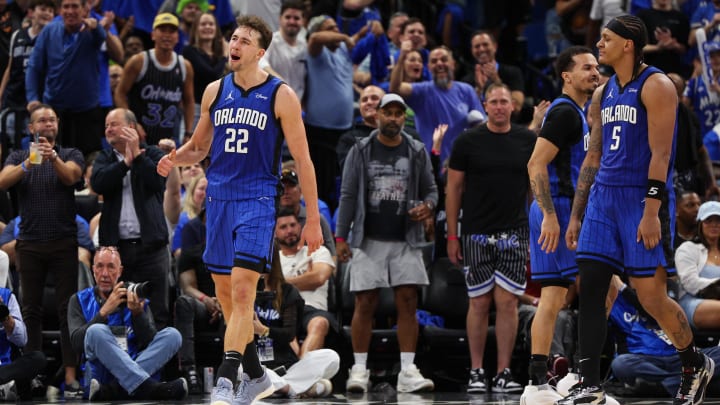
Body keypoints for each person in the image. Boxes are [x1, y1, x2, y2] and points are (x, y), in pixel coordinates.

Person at [155, 14, 323, 405]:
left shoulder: (281, 94)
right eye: (234, 38)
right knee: (227, 296)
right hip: (218, 200)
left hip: (258, 200)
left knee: (245, 290)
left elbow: (303, 159)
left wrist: (312, 217)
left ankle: (226, 382)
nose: (235, 44)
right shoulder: (215, 90)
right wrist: (174, 159)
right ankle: (255, 374)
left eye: (245, 40)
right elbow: (199, 148)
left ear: (261, 52)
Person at [561, 15, 714, 404]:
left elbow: (661, 155)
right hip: (602, 199)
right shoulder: (603, 92)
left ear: (628, 44)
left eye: (606, 39)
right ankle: (590, 384)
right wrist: (578, 212)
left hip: (639, 201)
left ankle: (693, 362)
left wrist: (651, 211)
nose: (599, 45)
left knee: (651, 297)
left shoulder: (657, 84)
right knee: (591, 289)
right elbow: (593, 155)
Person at [336, 93, 437, 394]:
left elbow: (432, 190)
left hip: (406, 238)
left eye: (398, 114)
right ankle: (358, 369)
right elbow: (348, 195)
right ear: (377, 115)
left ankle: (407, 371)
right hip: (368, 238)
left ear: (403, 117)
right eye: (388, 113)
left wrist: (428, 207)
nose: (393, 118)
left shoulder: (417, 149)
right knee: (364, 303)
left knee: (408, 302)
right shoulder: (361, 148)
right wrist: (341, 237)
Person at [520, 45, 599, 404]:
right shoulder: (565, 113)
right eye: (586, 67)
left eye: (596, 67)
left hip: (557, 209)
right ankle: (580, 376)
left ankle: (540, 381)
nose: (594, 72)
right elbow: (535, 165)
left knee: (553, 295)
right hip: (558, 210)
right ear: (567, 75)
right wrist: (550, 215)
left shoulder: (578, 113)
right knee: (604, 285)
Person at [445, 83, 536, 394]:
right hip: (475, 232)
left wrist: (537, 228)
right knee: (479, 302)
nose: (499, 106)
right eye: (494, 102)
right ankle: (476, 370)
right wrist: (452, 236)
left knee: (508, 303)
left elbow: (535, 190)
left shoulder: (528, 140)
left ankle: (504, 371)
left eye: (504, 102)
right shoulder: (467, 141)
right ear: (485, 106)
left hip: (515, 231)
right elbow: (453, 190)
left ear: (512, 106)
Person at [0, 104, 84, 398]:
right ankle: (33, 374)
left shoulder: (70, 153)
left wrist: (53, 157)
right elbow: (1, 181)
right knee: (30, 311)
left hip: (63, 241)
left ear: (57, 125)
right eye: (41, 120)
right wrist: (27, 166)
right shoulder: (19, 157)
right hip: (31, 243)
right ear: (31, 128)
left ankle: (71, 376)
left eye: (51, 119)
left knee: (67, 311)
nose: (47, 123)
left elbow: (72, 177)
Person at [67, 246, 188, 401]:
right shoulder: (78, 300)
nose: (105, 273)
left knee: (173, 335)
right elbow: (76, 344)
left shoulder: (133, 294)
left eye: (111, 267)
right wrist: (104, 312)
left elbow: (150, 342)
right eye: (100, 266)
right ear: (93, 270)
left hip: (133, 363)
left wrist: (138, 314)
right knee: (96, 331)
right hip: (100, 373)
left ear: (120, 271)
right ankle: (152, 388)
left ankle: (114, 390)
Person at [90, 108, 171, 329]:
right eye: (106, 125)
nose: (108, 129)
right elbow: (97, 183)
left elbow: (158, 182)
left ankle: (158, 361)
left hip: (151, 248)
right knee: (120, 308)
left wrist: (136, 157)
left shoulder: (153, 153)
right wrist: (124, 164)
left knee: (158, 310)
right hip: (118, 250)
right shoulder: (105, 157)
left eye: (113, 124)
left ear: (131, 128)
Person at [609, 275, 720, 397]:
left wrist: (624, 289)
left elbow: (655, 313)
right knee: (620, 363)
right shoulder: (613, 294)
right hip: (643, 359)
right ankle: (686, 383)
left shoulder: (665, 284)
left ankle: (666, 386)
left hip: (682, 355)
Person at [254, 248, 340, 398]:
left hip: (285, 365)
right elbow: (226, 336)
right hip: (255, 362)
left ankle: (279, 387)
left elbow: (289, 334)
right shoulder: (242, 291)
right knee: (244, 369)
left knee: (331, 357)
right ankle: (293, 389)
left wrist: (264, 330)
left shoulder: (287, 291)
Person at [25, 0, 107, 155]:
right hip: (52, 111)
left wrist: (96, 27)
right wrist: (32, 98)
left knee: (89, 163)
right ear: (60, 10)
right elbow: (34, 67)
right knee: (41, 160)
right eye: (66, 6)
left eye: (75, 6)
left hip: (87, 112)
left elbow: (101, 37)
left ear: (84, 9)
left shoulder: (92, 31)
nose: (70, 11)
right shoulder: (49, 31)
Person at [390, 44, 484, 163]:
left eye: (444, 59)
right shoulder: (422, 91)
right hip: (430, 165)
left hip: (461, 164)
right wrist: (402, 57)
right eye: (434, 61)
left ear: (453, 64)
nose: (439, 63)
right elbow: (395, 88)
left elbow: (482, 124)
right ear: (428, 67)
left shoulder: (466, 90)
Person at [115, 12, 195, 145]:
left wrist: (188, 133)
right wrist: (132, 124)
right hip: (140, 136)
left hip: (169, 136)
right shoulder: (138, 61)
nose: (167, 35)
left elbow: (189, 101)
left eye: (172, 31)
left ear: (177, 37)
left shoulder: (185, 66)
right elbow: (120, 93)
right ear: (153, 35)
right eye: (162, 30)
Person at [275, 208, 336, 357]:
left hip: (313, 309)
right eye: (283, 227)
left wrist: (282, 283)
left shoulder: (318, 251)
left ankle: (301, 373)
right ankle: (301, 373)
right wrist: (305, 278)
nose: (289, 230)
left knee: (319, 323)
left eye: (293, 225)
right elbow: (267, 288)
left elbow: (319, 278)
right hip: (282, 310)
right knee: (284, 329)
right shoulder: (273, 259)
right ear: (275, 232)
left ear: (300, 227)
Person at [174, 208, 219, 394]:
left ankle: (232, 368)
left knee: (239, 306)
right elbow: (188, 287)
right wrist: (206, 299)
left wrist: (225, 302)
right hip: (203, 306)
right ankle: (189, 370)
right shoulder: (191, 253)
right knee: (184, 302)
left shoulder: (238, 253)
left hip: (231, 304)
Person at [0, 0, 55, 150]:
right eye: (43, 8)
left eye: (50, 11)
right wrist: (0, 94)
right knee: (7, 145)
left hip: (37, 103)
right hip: (12, 100)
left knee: (35, 146)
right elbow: (9, 68)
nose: (47, 13)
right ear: (31, 13)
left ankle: (33, 173)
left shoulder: (52, 39)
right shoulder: (18, 35)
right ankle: (7, 172)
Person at [676, 201, 720, 331]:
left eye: (718, 220)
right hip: (693, 301)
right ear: (700, 223)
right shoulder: (688, 248)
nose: (714, 225)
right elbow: (689, 282)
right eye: (708, 220)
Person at [0, 285, 46, 401]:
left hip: (7, 366)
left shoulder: (7, 296)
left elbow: (22, 340)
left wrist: (4, 315)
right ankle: (5, 384)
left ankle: (4, 383)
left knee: (38, 359)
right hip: (8, 374)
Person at [182, 11, 227, 129]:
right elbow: (211, 75)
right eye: (203, 24)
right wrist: (225, 57)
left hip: (219, 109)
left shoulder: (218, 56)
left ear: (216, 28)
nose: (207, 27)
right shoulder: (189, 51)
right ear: (196, 28)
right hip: (196, 109)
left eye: (211, 24)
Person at [259, 0, 307, 101]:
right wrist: (280, 82)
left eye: (296, 18)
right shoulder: (270, 41)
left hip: (297, 104)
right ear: (280, 18)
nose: (292, 21)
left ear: (303, 21)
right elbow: (260, 63)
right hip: (272, 101)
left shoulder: (305, 46)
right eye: (288, 17)